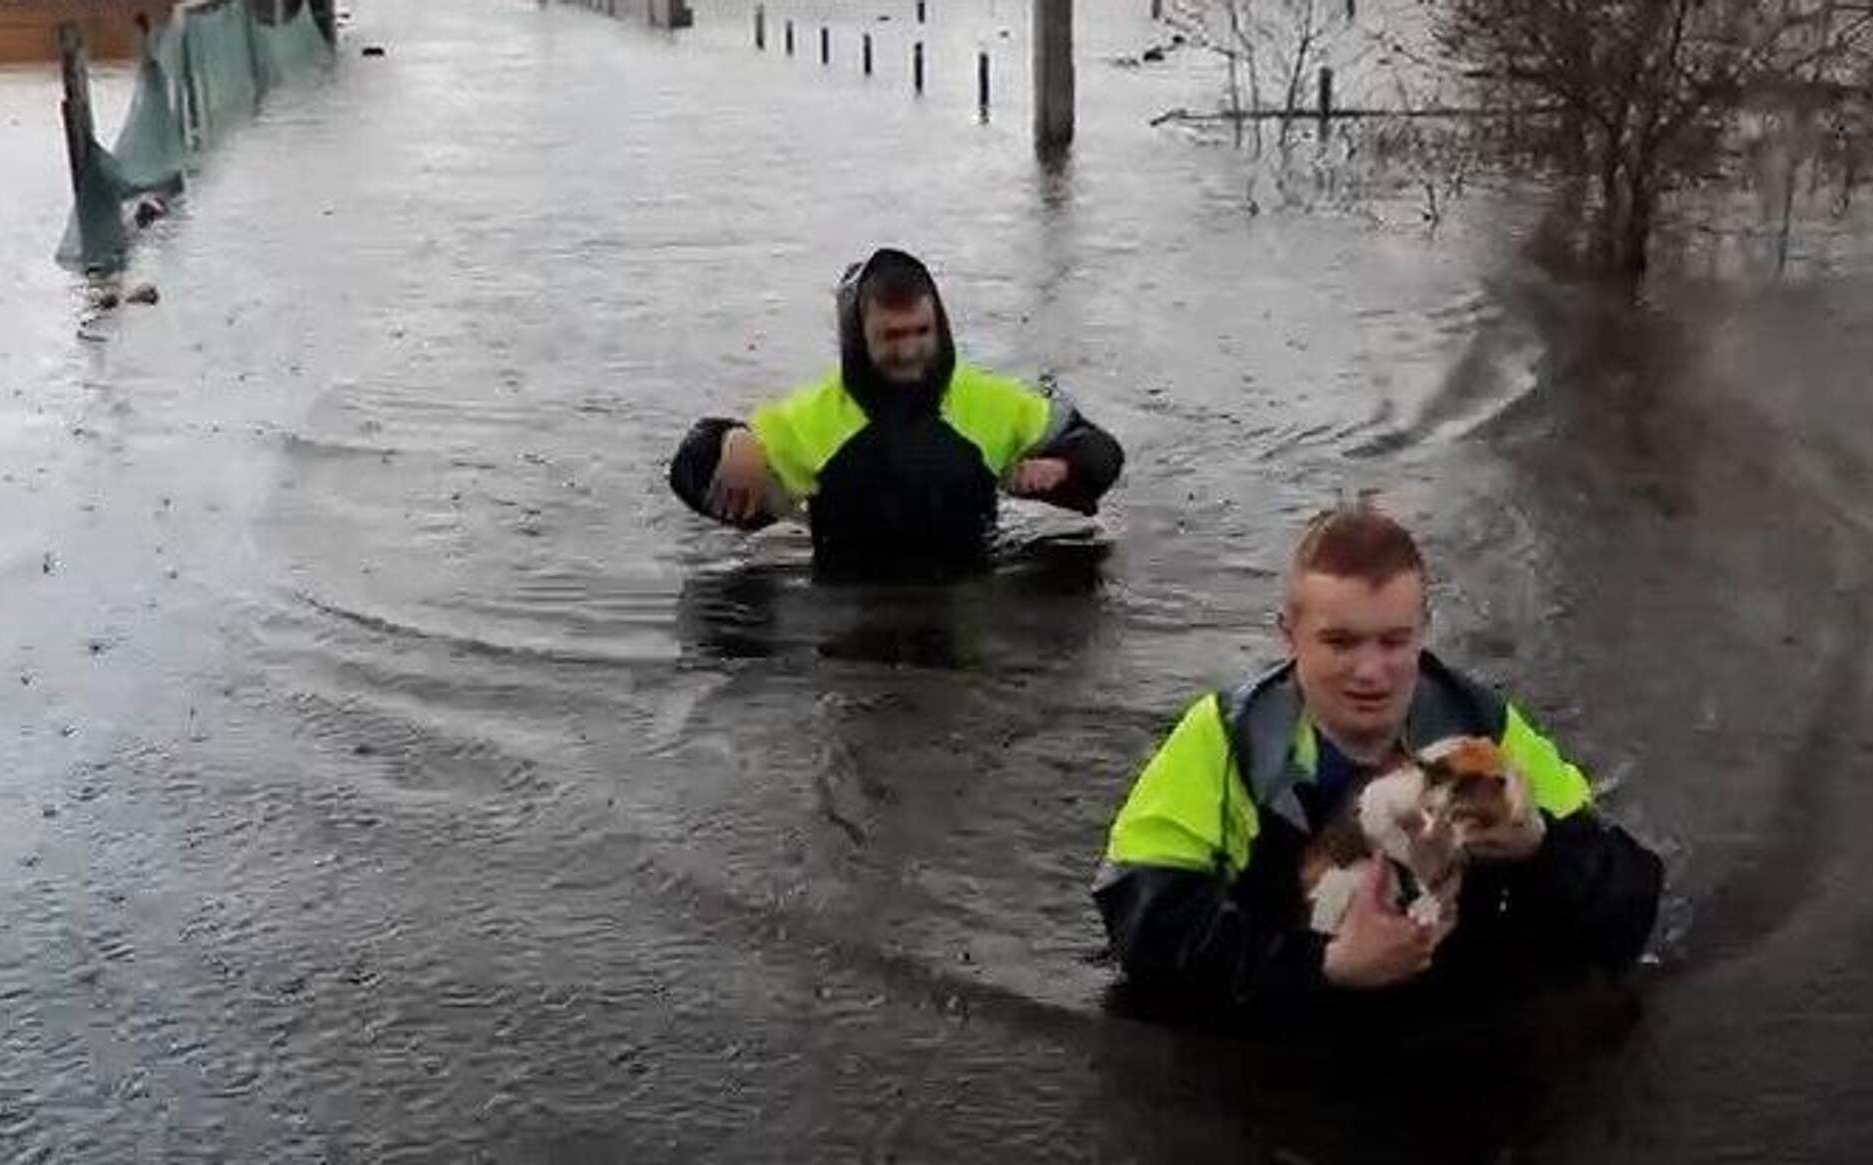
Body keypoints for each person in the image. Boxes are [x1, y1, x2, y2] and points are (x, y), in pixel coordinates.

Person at [1094, 503, 1663, 1013]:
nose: (1371, 673)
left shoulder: (1485, 732)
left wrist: (1540, 847)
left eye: (1393, 642)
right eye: (1340, 642)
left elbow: (1630, 908)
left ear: (1424, 634)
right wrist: (1325, 967)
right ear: (1288, 637)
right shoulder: (1225, 740)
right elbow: (1141, 930)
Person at [667, 248, 1124, 579]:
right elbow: (690, 471)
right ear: (859, 340)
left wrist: (1060, 466)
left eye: (920, 331)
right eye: (891, 336)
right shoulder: (817, 417)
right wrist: (731, 440)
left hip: (970, 591)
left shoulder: (988, 403)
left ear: (940, 326)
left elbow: (1102, 452)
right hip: (850, 603)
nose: (909, 351)